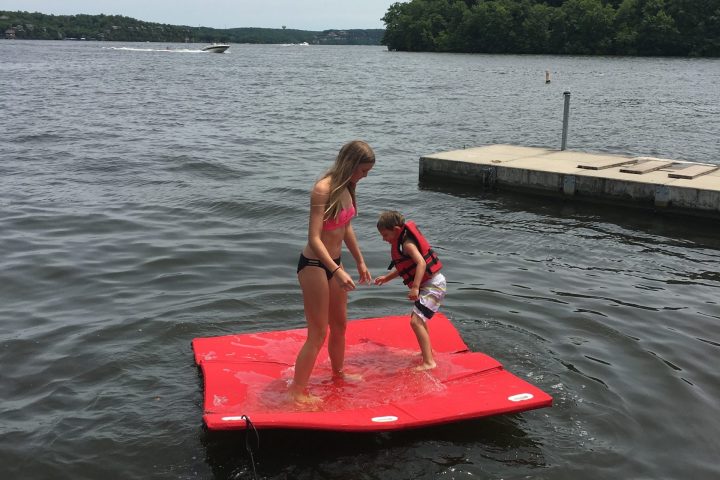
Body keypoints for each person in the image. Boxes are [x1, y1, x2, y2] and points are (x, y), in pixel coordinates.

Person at [289, 140, 375, 404]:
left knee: (340, 325)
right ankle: (297, 391)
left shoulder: (348, 188)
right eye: (362, 171)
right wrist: (336, 270)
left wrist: (359, 260)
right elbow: (314, 238)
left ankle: (338, 373)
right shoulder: (322, 189)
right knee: (318, 332)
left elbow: (345, 227)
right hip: (315, 265)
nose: (364, 177)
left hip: (335, 265)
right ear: (349, 164)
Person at [374, 211, 446, 371]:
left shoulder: (407, 244)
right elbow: (405, 267)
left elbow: (420, 263)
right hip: (429, 284)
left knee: (415, 321)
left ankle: (429, 362)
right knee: (419, 319)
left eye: (385, 234)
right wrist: (387, 278)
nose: (383, 239)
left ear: (397, 229)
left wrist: (414, 287)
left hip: (433, 284)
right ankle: (428, 353)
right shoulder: (401, 244)